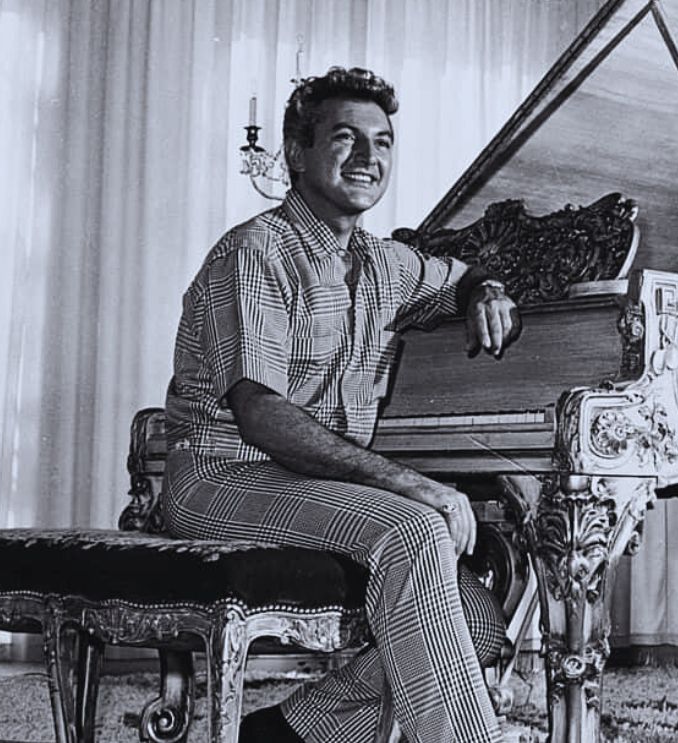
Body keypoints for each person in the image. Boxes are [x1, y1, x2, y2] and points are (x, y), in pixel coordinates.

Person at [161, 66, 521, 743]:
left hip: (307, 483)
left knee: (474, 625)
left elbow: (464, 275)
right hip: (220, 474)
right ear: (296, 152)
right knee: (415, 529)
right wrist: (412, 484)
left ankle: (293, 731)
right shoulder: (255, 252)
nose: (368, 158)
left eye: (382, 142)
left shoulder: (388, 262)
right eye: (345, 138)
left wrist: (486, 291)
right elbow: (260, 412)